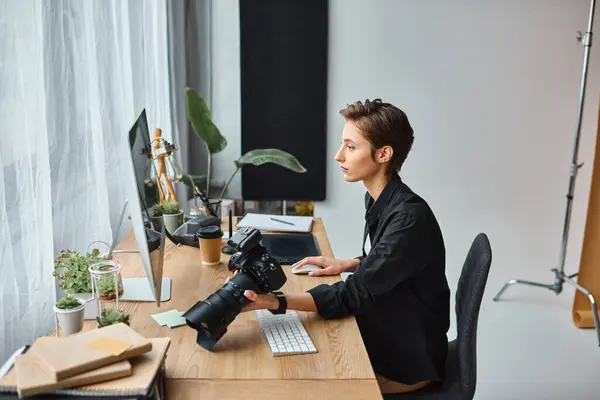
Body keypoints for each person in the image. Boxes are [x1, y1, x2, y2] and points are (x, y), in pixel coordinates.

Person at [240, 99, 450, 394]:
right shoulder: (381, 200)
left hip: (409, 359)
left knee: (308, 385)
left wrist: (278, 302)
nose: (339, 155)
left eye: (351, 147)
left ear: (383, 154)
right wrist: (351, 263)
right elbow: (388, 261)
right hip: (394, 327)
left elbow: (354, 294)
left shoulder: (408, 218)